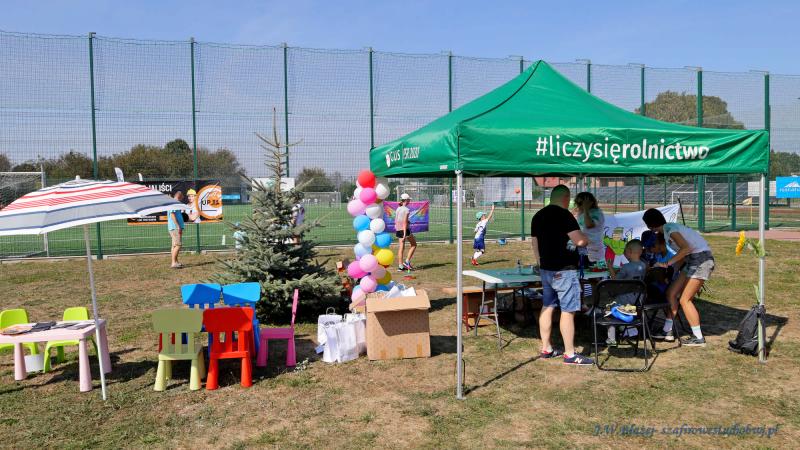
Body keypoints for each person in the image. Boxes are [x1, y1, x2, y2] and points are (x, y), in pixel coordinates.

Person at [530, 184, 594, 365]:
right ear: (566, 198)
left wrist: (540, 263)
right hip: (564, 270)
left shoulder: (538, 216)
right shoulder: (565, 215)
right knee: (568, 310)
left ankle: (546, 348)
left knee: (547, 306)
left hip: (546, 269)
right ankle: (570, 354)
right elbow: (579, 241)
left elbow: (534, 243)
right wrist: (586, 238)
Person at [643, 208, 714, 347]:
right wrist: (672, 272)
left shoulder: (670, 229)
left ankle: (698, 338)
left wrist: (666, 263)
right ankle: (667, 330)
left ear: (650, 225)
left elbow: (686, 248)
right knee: (671, 293)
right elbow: (683, 255)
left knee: (685, 300)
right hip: (691, 261)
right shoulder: (667, 230)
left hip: (701, 261)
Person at [606, 239, 647, 346]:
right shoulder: (643, 265)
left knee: (609, 309)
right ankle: (629, 328)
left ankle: (611, 338)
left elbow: (615, 280)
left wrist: (610, 267)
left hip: (626, 299)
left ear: (629, 251)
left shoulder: (626, 267)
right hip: (639, 298)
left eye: (624, 251)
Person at [573, 192, 612, 275]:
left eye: (581, 203)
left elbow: (589, 224)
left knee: (595, 275)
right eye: (577, 203)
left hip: (595, 252)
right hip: (584, 250)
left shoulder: (596, 213)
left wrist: (586, 209)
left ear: (590, 203)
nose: (579, 205)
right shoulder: (581, 213)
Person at [395, 193, 417, 271]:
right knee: (414, 244)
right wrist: (404, 234)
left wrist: (407, 222)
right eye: (409, 200)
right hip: (404, 230)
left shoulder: (398, 209)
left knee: (401, 248)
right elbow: (404, 222)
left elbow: (397, 220)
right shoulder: (406, 210)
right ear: (406, 200)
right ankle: (407, 262)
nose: (409, 201)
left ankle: (400, 266)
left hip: (398, 229)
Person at [167, 190, 185, 269]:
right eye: (182, 198)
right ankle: (173, 263)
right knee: (178, 245)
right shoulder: (174, 203)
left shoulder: (173, 203)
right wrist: (178, 226)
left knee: (174, 245)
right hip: (175, 227)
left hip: (173, 227)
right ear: (179, 196)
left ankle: (175, 261)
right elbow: (172, 215)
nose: (182, 200)